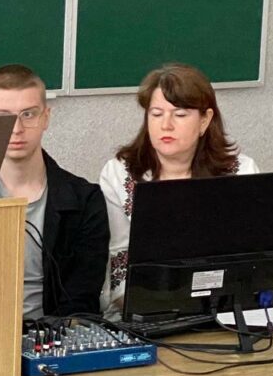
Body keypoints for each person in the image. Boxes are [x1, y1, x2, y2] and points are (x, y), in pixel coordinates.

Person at [99, 62, 259, 319]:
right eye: (156, 114)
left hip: (222, 311)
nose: (166, 125)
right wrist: (149, 310)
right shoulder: (119, 174)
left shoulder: (241, 172)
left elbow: (251, 260)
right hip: (143, 312)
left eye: (180, 115)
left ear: (205, 120)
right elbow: (118, 261)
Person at [0, 64, 109, 320]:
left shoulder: (85, 200)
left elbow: (82, 299)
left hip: (51, 335)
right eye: (2, 117)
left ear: (46, 118)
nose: (16, 129)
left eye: (28, 114)